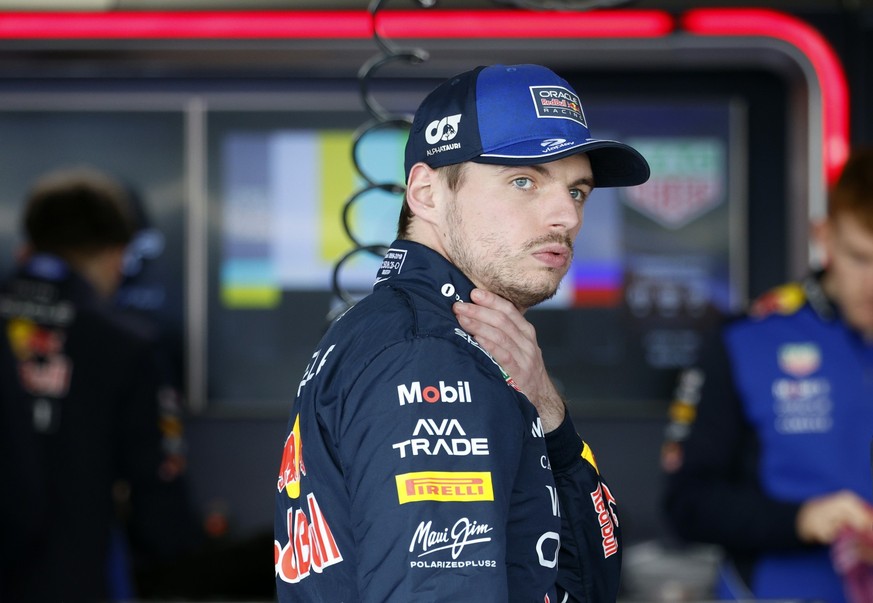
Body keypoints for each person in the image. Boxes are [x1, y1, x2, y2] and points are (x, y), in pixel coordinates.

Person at [273, 63, 650, 602]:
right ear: (426, 193)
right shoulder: (426, 354)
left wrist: (551, 416)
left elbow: (588, 583)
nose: (566, 214)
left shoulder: (454, 340)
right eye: (524, 180)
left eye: (578, 190)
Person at [661, 147, 873, 602]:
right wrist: (801, 519)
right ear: (826, 236)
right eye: (861, 258)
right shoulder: (747, 340)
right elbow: (687, 504)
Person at [0, 167, 197, 602]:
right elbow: (161, 502)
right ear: (116, 256)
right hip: (72, 581)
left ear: (28, 245)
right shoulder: (125, 343)